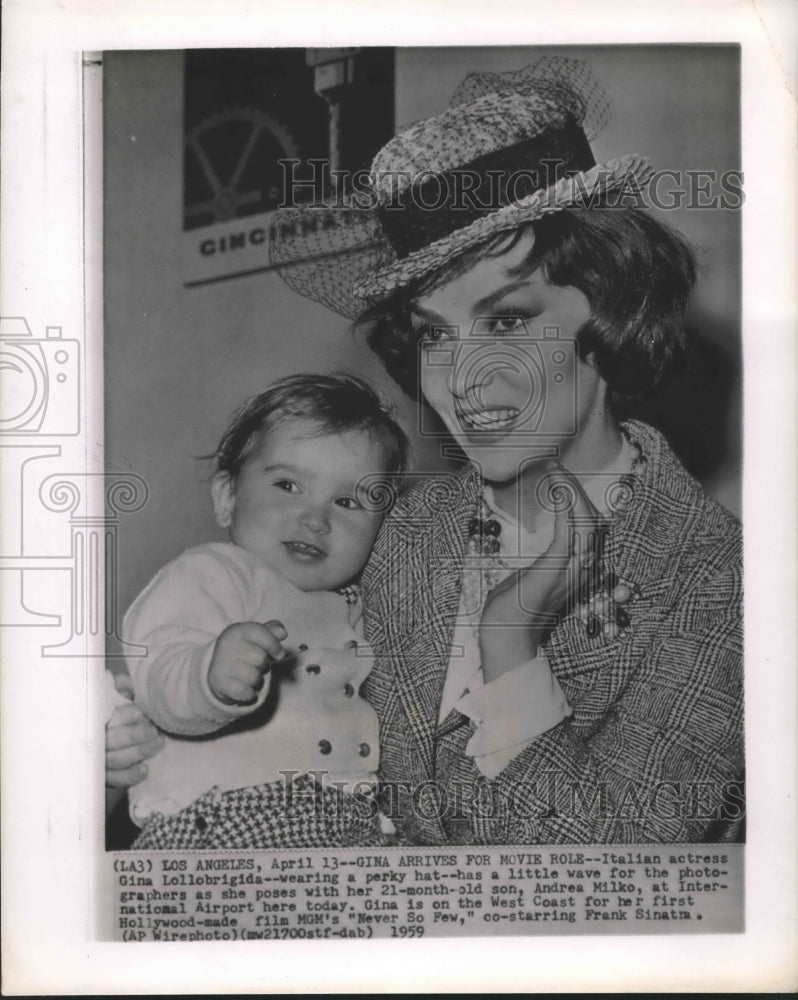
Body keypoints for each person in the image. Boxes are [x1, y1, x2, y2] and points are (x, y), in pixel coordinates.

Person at [109, 58, 743, 845]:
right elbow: (208, 651)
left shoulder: (721, 580)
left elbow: (621, 884)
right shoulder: (387, 528)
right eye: (435, 335)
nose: (463, 380)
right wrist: (119, 745)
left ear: (610, 308)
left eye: (507, 320)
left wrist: (508, 638)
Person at [108, 373, 408, 849]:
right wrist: (210, 675)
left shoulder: (357, 606)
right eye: (288, 485)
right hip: (223, 820)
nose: (315, 518)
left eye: (347, 501)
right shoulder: (213, 572)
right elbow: (160, 669)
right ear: (227, 497)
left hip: (342, 826)